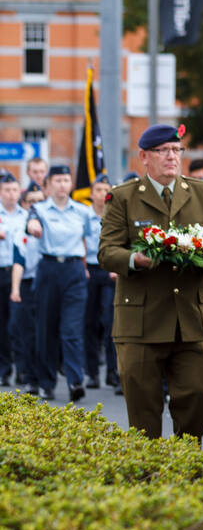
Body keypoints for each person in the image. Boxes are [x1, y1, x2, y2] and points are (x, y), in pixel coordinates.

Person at [97, 124, 203, 440]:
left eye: (176, 150)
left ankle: (185, 453)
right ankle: (149, 465)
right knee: (143, 410)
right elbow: (107, 251)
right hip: (141, 318)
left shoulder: (202, 192)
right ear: (144, 156)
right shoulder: (123, 196)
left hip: (191, 316)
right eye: (163, 150)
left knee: (202, 389)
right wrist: (135, 259)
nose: (172, 157)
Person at [26, 164, 91, 402]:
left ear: (70, 184)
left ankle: (75, 381)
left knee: (71, 329)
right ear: (48, 185)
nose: (62, 185)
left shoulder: (82, 211)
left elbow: (87, 240)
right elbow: (31, 223)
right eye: (57, 180)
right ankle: (46, 383)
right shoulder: (39, 209)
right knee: (46, 329)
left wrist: (85, 266)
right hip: (49, 269)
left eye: (65, 180)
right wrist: (33, 227)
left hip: (74, 270)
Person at [83, 174, 119, 391]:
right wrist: (82, 268)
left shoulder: (115, 215)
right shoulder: (83, 215)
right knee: (89, 323)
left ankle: (112, 371)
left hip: (109, 272)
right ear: (91, 193)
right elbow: (79, 240)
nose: (102, 194)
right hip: (89, 269)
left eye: (106, 190)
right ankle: (92, 373)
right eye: (98, 190)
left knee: (110, 322)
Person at [10, 194, 42, 395]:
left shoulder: (51, 224)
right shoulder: (21, 227)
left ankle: (46, 376)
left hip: (49, 283)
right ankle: (30, 376)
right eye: (31, 202)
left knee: (48, 332)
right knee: (27, 332)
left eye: (39, 201)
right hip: (28, 283)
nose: (34, 206)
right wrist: (15, 289)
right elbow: (19, 260)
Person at [0, 171, 26, 386]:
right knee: (1, 325)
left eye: (14, 190)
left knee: (18, 324)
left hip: (20, 274)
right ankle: (4, 369)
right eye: (7, 190)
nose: (10, 194)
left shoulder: (27, 216)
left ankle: (22, 368)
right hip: (1, 272)